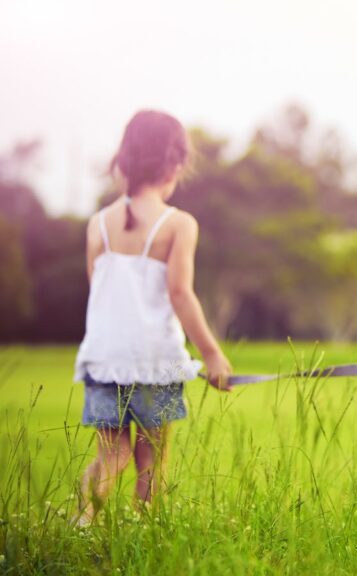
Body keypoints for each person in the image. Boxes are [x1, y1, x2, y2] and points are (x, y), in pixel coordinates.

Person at [74, 110, 232, 524]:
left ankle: (82, 523)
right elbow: (180, 293)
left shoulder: (98, 225)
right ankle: (147, 533)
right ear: (175, 166)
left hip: (104, 359)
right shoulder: (178, 224)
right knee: (152, 459)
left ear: (122, 162)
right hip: (154, 362)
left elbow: (99, 291)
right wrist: (211, 354)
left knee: (111, 454)